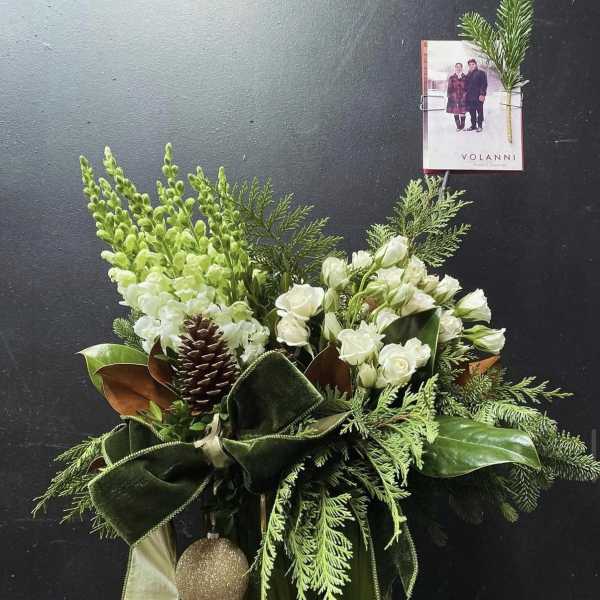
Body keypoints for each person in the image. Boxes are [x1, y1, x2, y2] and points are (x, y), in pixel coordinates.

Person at [464, 58, 487, 132]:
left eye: (473, 64)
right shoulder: (468, 75)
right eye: (470, 65)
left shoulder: (481, 73)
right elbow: (466, 86)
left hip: (478, 96)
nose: (471, 66)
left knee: (479, 111)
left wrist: (482, 94)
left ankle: (480, 126)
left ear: (476, 65)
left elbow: (484, 84)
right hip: (470, 97)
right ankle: (473, 126)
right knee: (472, 112)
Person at [446, 63, 466, 131]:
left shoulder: (465, 77)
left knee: (463, 112)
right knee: (456, 111)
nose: (458, 68)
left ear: (462, 68)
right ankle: (458, 127)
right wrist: (449, 96)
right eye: (457, 67)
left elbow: (467, 87)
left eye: (460, 67)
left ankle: (462, 126)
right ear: (455, 68)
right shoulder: (452, 77)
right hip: (454, 97)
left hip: (463, 96)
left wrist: (465, 95)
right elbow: (449, 88)